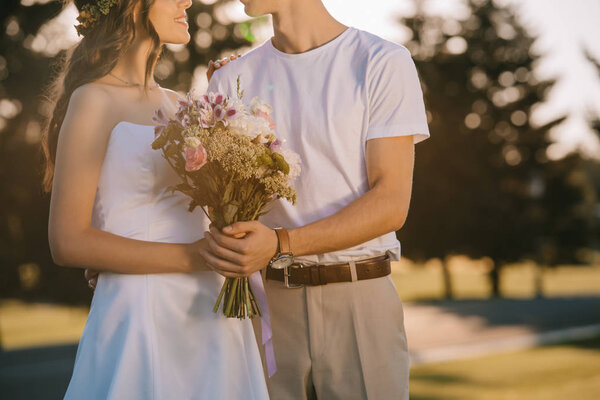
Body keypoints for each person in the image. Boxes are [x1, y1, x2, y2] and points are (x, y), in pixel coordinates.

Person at [203, 0, 430, 399]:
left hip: (359, 303)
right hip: (266, 309)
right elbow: (218, 207)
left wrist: (280, 243)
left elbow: (390, 202)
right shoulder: (230, 80)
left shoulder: (381, 62)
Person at [42, 0, 268, 398]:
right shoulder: (93, 101)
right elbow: (68, 240)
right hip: (143, 314)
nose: (187, 1)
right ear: (133, 6)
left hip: (211, 311)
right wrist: (196, 257)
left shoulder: (181, 105)